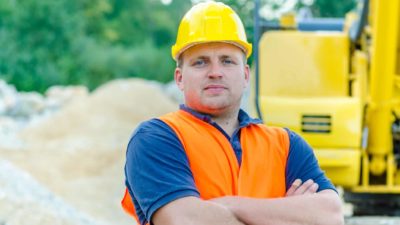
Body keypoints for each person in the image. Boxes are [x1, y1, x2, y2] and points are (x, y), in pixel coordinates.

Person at [121, 1, 344, 225]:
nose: (215, 72)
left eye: (227, 61)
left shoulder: (286, 145)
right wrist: (283, 214)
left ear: (246, 75)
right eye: (201, 62)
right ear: (179, 78)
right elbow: (184, 220)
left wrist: (229, 205)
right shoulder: (157, 138)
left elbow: (331, 215)